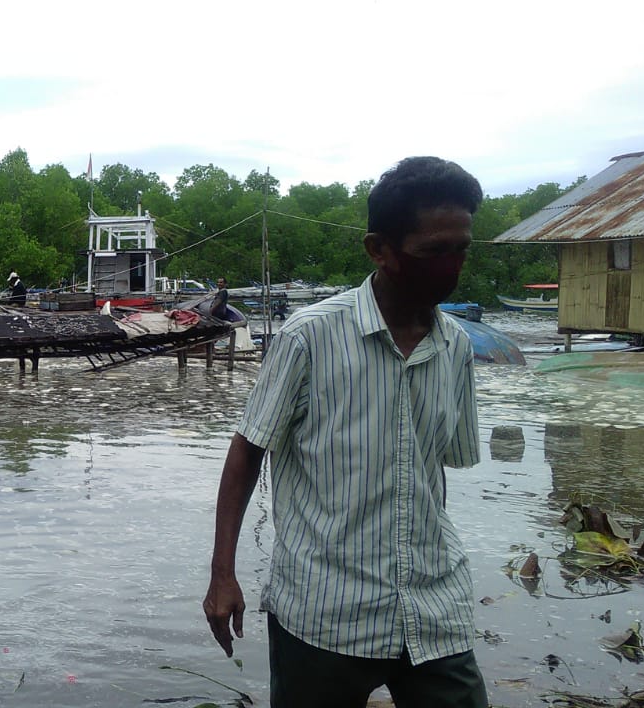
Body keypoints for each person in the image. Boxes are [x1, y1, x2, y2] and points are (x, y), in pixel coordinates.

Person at [203, 156, 487, 708]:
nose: (451, 266)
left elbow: (439, 469)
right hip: (324, 611)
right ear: (379, 249)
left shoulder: (455, 346)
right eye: (433, 252)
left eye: (461, 249)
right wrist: (223, 575)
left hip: (434, 607)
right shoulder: (309, 338)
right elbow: (246, 452)